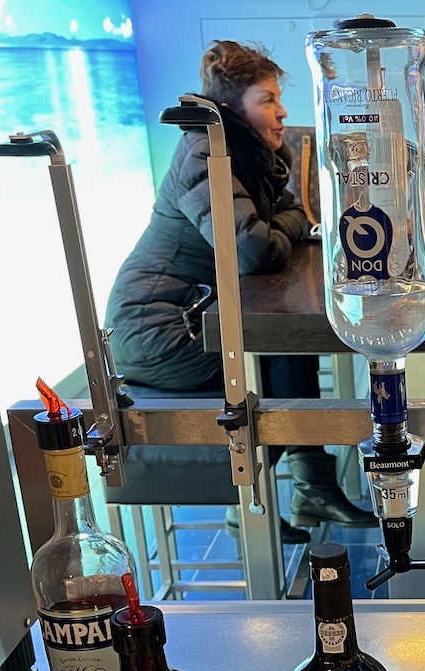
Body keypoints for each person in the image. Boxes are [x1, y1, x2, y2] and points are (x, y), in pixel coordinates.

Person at [105, 40, 374, 539]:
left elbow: (293, 215)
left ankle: (297, 491)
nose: (282, 111)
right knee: (279, 354)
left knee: (284, 348)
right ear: (233, 108)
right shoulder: (203, 153)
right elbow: (254, 251)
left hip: (190, 314)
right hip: (156, 329)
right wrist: (286, 226)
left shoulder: (240, 153)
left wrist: (284, 225)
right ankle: (261, 498)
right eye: (268, 99)